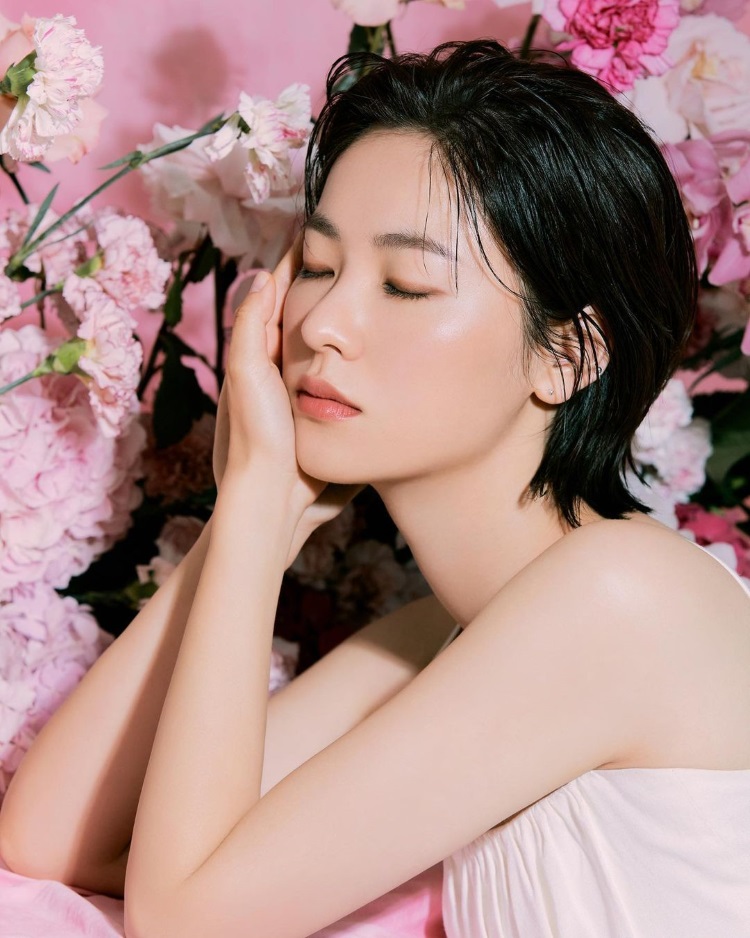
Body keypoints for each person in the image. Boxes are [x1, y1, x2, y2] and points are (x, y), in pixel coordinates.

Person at [1, 38, 749, 938]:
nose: (323, 323)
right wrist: (257, 516)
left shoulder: (623, 599)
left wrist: (252, 513)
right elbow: (57, 842)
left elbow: (184, 923)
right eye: (317, 267)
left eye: (406, 284)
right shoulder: (443, 634)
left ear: (567, 354)